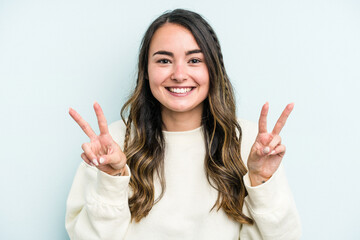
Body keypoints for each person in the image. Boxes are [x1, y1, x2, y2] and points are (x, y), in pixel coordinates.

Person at [66, 9, 301, 240]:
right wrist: (112, 177)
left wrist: (261, 180)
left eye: (195, 60)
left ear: (213, 69)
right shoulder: (110, 145)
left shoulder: (249, 142)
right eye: (164, 60)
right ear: (145, 71)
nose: (179, 74)